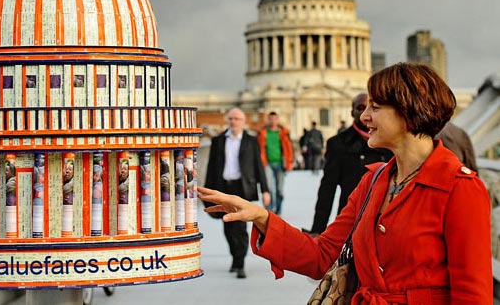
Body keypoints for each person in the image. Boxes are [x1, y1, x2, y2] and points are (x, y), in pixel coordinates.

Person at [199, 63, 492, 303]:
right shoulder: (373, 182)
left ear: (408, 111)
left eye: (375, 107)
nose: (364, 116)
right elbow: (322, 255)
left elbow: (472, 295)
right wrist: (261, 217)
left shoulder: (460, 188)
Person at [308, 93, 393, 234]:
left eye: (373, 108)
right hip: (350, 222)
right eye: (360, 108)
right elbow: (327, 189)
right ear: (352, 112)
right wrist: (318, 229)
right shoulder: (338, 144)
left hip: (384, 223)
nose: (365, 113)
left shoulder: (390, 142)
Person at [204, 107, 270, 279]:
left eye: (237, 119)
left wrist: (265, 189)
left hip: (242, 188)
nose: (233, 122)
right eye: (231, 118)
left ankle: (240, 263)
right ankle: (235, 257)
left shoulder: (251, 141)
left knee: (240, 226)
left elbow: (258, 166)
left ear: (243, 122)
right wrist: (207, 190)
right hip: (224, 187)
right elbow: (211, 167)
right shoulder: (218, 141)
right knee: (227, 226)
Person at [257, 111, 294, 215]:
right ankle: (269, 212)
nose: (273, 121)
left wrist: (289, 162)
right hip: (267, 164)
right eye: (271, 119)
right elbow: (259, 148)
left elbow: (289, 149)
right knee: (269, 188)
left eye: (274, 119)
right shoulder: (263, 133)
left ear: (277, 120)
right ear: (268, 120)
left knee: (279, 190)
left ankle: (278, 210)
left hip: (280, 164)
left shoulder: (283, 133)